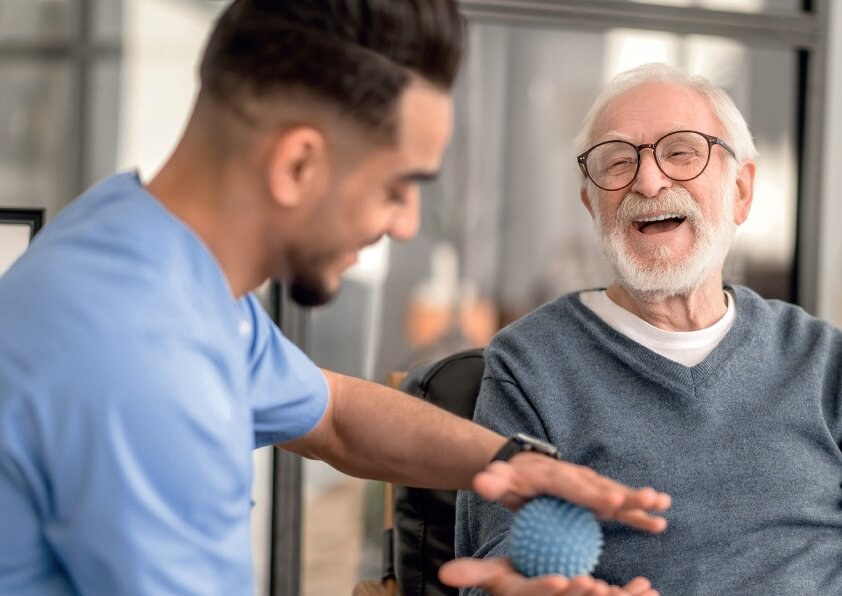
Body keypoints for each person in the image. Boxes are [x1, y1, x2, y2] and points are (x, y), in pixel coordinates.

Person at [0, 2, 671, 595]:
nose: (406, 223)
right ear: (297, 164)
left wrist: (512, 465)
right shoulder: (142, 362)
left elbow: (338, 417)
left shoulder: (150, 259)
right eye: (396, 187)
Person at [454, 61, 842, 595]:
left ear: (742, 191)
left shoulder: (824, 360)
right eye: (616, 162)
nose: (649, 180)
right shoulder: (530, 364)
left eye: (681, 152)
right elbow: (493, 576)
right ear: (592, 203)